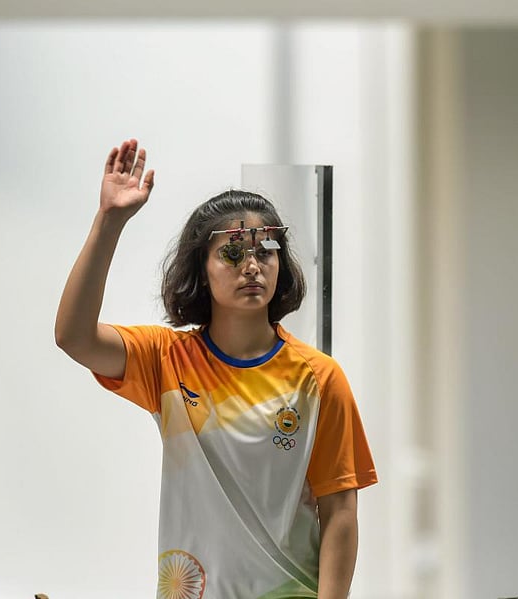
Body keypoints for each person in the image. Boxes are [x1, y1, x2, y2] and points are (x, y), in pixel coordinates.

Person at [55, 139, 377, 599]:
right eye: (232, 253)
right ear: (201, 268)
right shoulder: (165, 359)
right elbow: (74, 336)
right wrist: (110, 220)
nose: (253, 266)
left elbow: (341, 510)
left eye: (266, 251)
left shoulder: (319, 378)